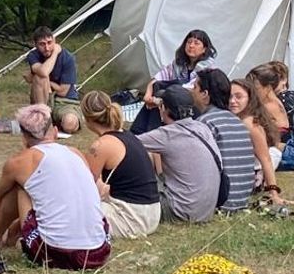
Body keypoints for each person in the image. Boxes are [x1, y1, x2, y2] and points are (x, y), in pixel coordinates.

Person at [0, 104, 110, 270]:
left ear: (24, 138)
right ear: (55, 131)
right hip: (99, 252)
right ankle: (11, 236)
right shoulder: (76, 154)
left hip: (54, 253)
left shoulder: (19, 162)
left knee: (22, 188)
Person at [80, 91, 160, 239]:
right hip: (153, 213)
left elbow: (85, 188)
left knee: (75, 211)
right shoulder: (127, 136)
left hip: (132, 219)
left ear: (87, 119)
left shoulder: (100, 146)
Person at [136, 86, 220, 223]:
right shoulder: (203, 128)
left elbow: (126, 143)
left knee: (138, 160)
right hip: (206, 211)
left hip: (179, 212)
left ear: (163, 109)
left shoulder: (166, 134)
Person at [190, 69, 255, 213]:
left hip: (220, 201)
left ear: (205, 94)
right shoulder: (237, 121)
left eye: (195, 87)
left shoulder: (205, 123)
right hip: (241, 198)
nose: (192, 91)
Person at [131, 29, 218, 135]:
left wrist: (158, 99)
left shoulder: (208, 68)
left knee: (163, 94)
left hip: (195, 105)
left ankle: (146, 133)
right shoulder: (179, 64)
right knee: (158, 87)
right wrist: (148, 95)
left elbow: (189, 88)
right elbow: (158, 77)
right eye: (189, 42)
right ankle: (140, 131)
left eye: (196, 43)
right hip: (175, 101)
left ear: (204, 49)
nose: (191, 46)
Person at [229, 79, 291, 206]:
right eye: (229, 97)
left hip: (250, 177)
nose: (232, 101)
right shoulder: (234, 118)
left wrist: (274, 193)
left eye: (239, 97)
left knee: (273, 153)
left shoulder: (250, 124)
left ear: (250, 99)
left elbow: (266, 159)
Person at [22, 27, 80, 133]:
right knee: (40, 77)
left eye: (49, 42)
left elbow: (63, 91)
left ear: (55, 41)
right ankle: (43, 119)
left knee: (69, 125)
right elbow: (44, 72)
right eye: (42, 44)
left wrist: (48, 83)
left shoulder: (67, 58)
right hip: (43, 100)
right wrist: (54, 54)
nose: (47, 48)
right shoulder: (33, 55)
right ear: (35, 45)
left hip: (65, 101)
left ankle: (55, 120)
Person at [266, 60, 294, 142]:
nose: (269, 84)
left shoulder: (282, 102)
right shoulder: (289, 97)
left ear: (284, 79)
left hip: (290, 143)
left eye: (274, 80)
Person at [247, 64, 290, 140]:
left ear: (268, 87)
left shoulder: (269, 107)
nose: (252, 92)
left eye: (256, 88)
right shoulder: (273, 102)